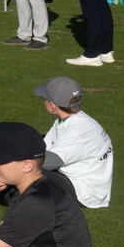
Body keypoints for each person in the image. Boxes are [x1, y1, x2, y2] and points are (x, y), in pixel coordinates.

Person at [34, 76, 113, 208]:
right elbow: (42, 147)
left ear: (52, 105)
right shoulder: (68, 120)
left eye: (44, 99)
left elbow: (47, 162)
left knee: (23, 180)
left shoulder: (78, 131)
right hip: (76, 179)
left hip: (84, 192)